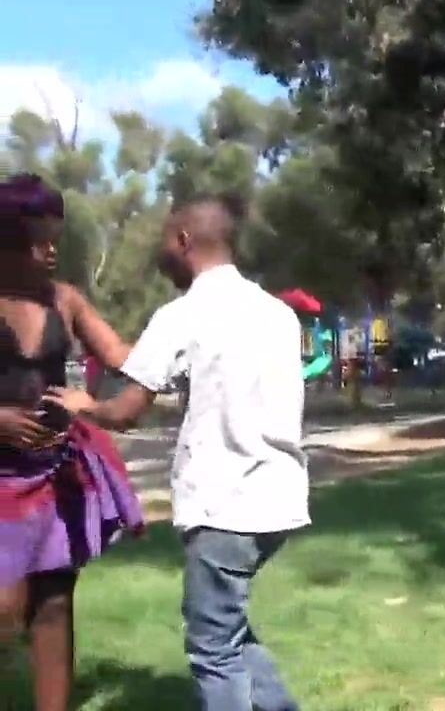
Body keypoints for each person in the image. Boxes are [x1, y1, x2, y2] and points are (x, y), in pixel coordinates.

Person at [46, 194, 309, 711]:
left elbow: (127, 411)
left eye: (165, 241)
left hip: (226, 504)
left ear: (184, 240)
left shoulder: (183, 314)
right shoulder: (277, 313)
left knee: (213, 647)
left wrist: (84, 405)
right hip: (278, 498)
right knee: (227, 629)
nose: (160, 252)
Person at [0, 174, 143, 711]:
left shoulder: (65, 300)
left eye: (55, 237)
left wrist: (190, 337)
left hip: (54, 473)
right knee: (5, 610)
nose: (52, 249)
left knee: (55, 605)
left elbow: (125, 357)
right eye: (40, 238)